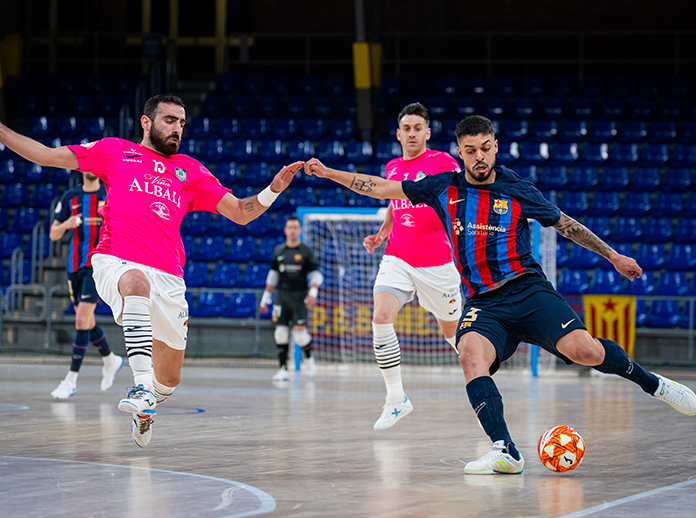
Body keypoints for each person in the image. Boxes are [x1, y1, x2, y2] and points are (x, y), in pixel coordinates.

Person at [304, 114, 696, 474]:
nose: (479, 156)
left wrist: (612, 255)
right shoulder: (443, 187)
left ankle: (657, 386)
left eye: (485, 148)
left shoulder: (516, 189)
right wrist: (329, 173)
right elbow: (381, 187)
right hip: (483, 302)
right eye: (470, 150)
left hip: (528, 289)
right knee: (470, 356)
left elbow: (565, 224)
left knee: (587, 352)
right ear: (459, 152)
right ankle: (505, 449)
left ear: (495, 146)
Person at [0, 94, 303, 447]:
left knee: (170, 378)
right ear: (146, 122)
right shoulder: (114, 151)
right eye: (170, 120)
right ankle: (141, 387)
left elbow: (239, 211)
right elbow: (47, 156)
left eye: (182, 123)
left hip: (170, 277)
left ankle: (148, 405)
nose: (178, 129)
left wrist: (272, 191)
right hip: (117, 259)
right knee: (135, 282)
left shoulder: (190, 170)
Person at [320, 102, 463, 430]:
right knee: (381, 316)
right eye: (407, 129)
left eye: (418, 129)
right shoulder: (393, 166)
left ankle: (483, 370)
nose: (412, 134)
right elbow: (393, 201)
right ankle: (396, 399)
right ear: (398, 134)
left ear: (427, 133)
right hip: (398, 256)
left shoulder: (444, 163)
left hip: (437, 264)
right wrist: (383, 233)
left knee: (455, 337)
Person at [49, 171, 123, 399]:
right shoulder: (70, 197)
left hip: (99, 264)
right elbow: (53, 233)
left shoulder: (110, 194)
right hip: (75, 266)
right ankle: (110, 359)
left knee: (81, 318)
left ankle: (70, 380)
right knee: (86, 321)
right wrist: (67, 224)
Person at [260, 216, 323, 381]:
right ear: (285, 230)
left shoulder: (306, 251)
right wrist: (265, 298)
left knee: (300, 336)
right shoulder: (279, 251)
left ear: (300, 230)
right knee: (280, 333)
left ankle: (308, 358)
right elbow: (273, 275)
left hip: (300, 296)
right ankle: (282, 369)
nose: (293, 230)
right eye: (290, 227)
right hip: (281, 296)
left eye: (296, 227)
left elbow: (316, 275)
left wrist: (313, 293)